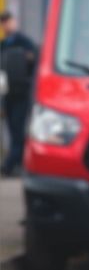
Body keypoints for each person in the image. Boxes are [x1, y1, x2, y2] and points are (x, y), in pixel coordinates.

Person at [1, 11, 38, 177]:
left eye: (8, 21)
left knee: (18, 130)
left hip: (22, 93)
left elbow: (36, 59)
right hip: (8, 94)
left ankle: (10, 165)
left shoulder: (24, 42)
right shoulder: (3, 45)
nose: (7, 25)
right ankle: (17, 164)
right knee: (13, 129)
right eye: (3, 23)